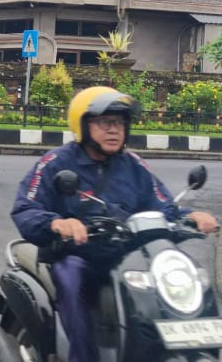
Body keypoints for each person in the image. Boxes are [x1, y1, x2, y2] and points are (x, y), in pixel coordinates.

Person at [11, 86, 218, 362]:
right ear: (83, 126)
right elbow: (25, 208)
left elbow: (162, 206)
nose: (114, 130)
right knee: (71, 278)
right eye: (105, 122)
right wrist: (58, 223)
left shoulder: (134, 166)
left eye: (119, 122)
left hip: (129, 257)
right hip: (78, 255)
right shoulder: (55, 163)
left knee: (183, 278)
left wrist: (189, 216)